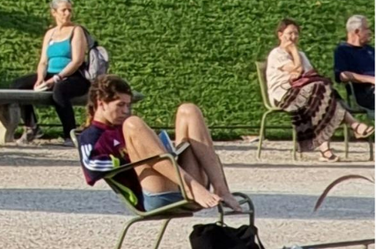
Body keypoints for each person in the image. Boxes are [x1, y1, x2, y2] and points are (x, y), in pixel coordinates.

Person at [77, 75, 243, 214]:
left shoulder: (124, 126)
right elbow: (91, 167)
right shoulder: (91, 135)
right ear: (100, 103)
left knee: (189, 110)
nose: (126, 111)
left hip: (177, 181)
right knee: (133, 122)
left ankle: (221, 188)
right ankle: (191, 186)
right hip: (154, 195)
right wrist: (130, 156)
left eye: (128, 105)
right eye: (120, 105)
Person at [268, 18, 375, 158]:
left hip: (303, 92)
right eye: (290, 33)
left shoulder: (301, 55)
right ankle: (354, 125)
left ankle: (326, 149)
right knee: (319, 95)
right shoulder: (277, 53)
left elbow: (307, 74)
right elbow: (297, 70)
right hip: (283, 94)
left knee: (323, 94)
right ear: (280, 35)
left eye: (296, 34)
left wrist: (299, 69)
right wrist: (293, 50)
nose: (293, 37)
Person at [0, 0, 94, 142]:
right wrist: (41, 77)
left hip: (74, 76)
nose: (67, 13)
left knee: (59, 91)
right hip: (50, 74)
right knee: (18, 85)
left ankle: (69, 134)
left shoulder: (76, 30)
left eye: (69, 10)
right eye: (63, 10)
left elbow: (77, 61)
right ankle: (32, 127)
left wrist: (56, 78)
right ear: (54, 12)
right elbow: (43, 61)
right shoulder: (50, 34)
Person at [334, 15, 374, 116]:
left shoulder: (370, 50)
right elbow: (343, 75)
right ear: (357, 32)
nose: (370, 32)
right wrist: (371, 79)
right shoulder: (343, 51)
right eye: (366, 28)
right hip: (366, 93)